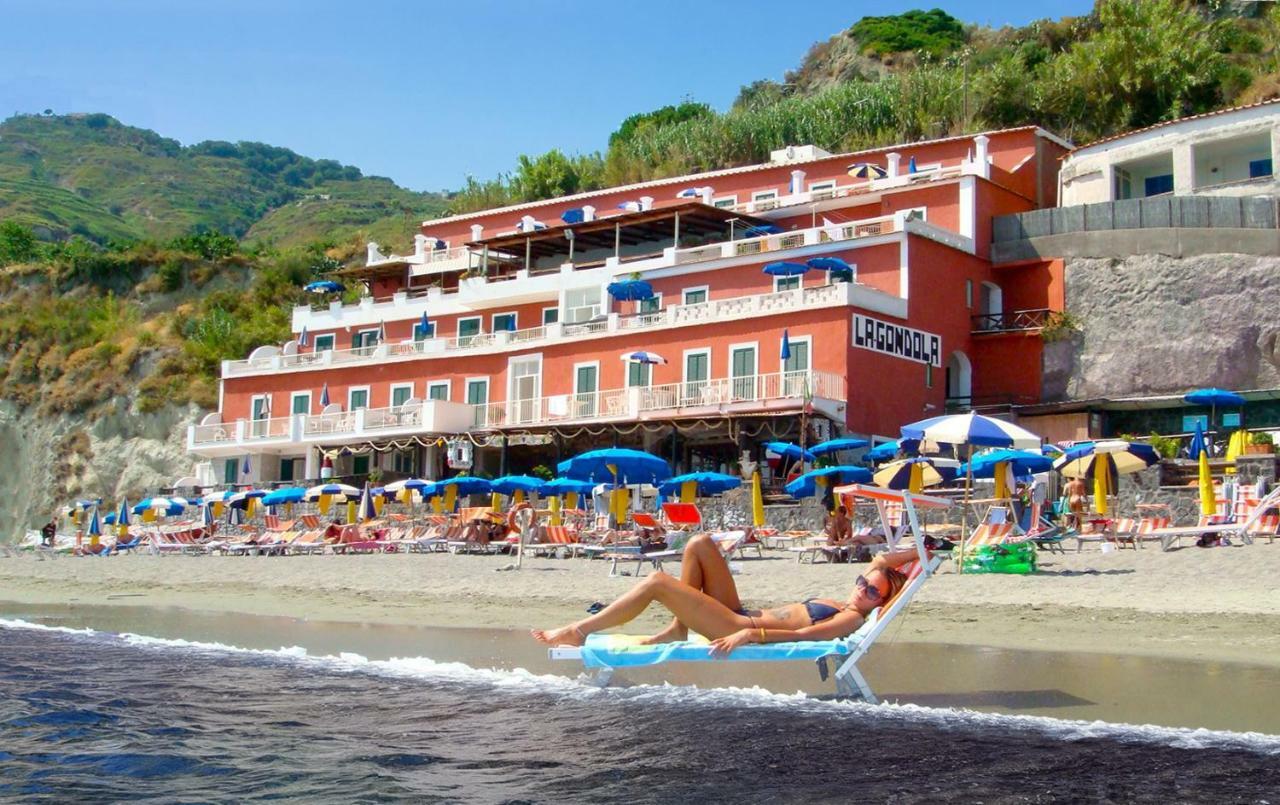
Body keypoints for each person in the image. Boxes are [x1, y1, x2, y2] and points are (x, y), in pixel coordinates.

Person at [531, 533, 919, 654]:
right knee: (699, 544)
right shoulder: (851, 596)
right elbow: (882, 557)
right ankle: (677, 628)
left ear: (879, 603)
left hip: (737, 623)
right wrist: (923, 550)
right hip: (741, 610)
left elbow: (802, 636)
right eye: (864, 583)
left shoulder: (851, 617)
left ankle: (577, 631)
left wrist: (748, 633)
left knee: (657, 582)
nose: (864, 589)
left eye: (872, 593)